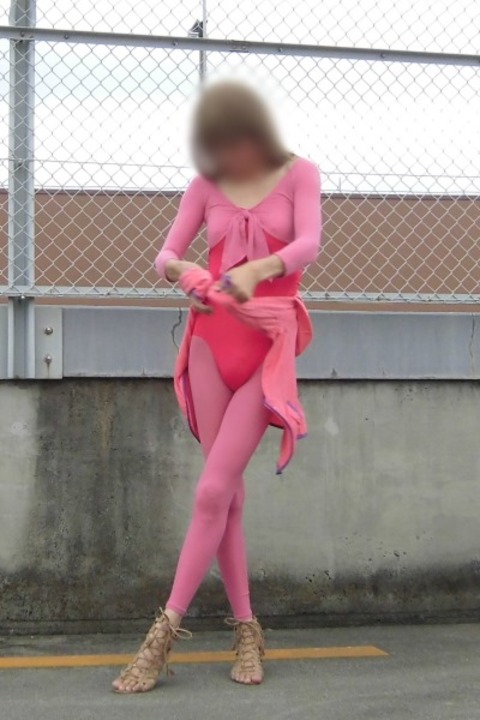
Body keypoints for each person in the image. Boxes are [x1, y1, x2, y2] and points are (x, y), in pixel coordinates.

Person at [112, 80, 322, 694]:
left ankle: (161, 636)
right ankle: (247, 630)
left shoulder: (301, 174)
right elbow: (166, 254)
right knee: (225, 495)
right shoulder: (204, 184)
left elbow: (309, 243)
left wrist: (259, 269)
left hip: (265, 346)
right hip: (209, 343)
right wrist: (184, 272)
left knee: (211, 490)